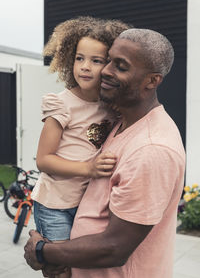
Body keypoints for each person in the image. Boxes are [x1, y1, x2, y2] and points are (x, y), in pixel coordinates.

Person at [24, 28, 185, 278]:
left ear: (152, 81)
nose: (106, 70)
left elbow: (114, 248)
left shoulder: (152, 149)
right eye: (108, 60)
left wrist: (42, 251)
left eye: (120, 66)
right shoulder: (119, 120)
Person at [31, 16, 131, 278]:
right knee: (60, 271)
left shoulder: (110, 105)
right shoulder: (61, 104)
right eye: (79, 58)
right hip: (54, 205)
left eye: (96, 60)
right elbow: (43, 160)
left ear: (110, 65)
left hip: (86, 205)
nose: (85, 67)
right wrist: (88, 168)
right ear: (69, 59)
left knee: (81, 271)